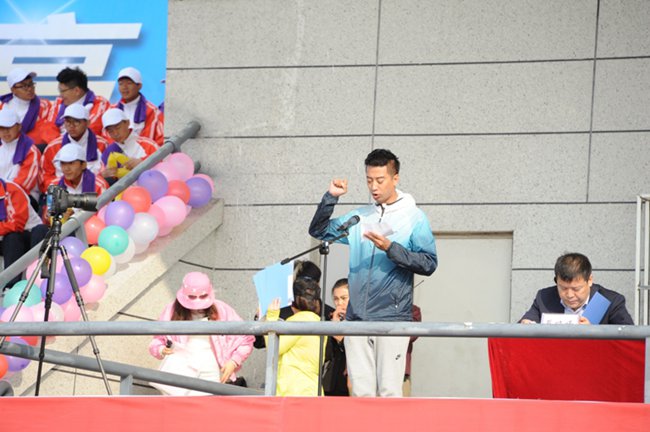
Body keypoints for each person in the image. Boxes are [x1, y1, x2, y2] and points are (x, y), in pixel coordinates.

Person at [309, 148, 438, 397]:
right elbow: (319, 231)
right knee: (361, 394)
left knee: (390, 393)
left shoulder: (414, 217)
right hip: (356, 318)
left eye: (380, 180)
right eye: (369, 180)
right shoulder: (359, 217)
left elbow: (429, 263)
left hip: (393, 318)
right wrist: (331, 197)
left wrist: (391, 248)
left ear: (395, 178)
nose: (374, 187)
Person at [148, 272, 254, 395]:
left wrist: (234, 361)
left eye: (203, 296)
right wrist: (161, 349)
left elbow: (246, 338)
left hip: (210, 368)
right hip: (180, 367)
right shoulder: (171, 310)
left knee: (206, 404)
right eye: (192, 297)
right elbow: (157, 339)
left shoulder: (221, 309)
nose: (197, 302)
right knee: (178, 405)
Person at [520, 252, 634, 325]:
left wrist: (595, 332)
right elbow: (523, 325)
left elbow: (628, 339)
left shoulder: (609, 301)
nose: (569, 295)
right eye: (563, 288)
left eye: (576, 289)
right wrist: (525, 325)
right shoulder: (545, 297)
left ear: (589, 280)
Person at [264, 278, 327, 396]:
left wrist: (270, 318)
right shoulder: (318, 322)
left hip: (294, 389)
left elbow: (274, 348)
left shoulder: (298, 321)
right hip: (311, 388)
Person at [40, 104, 108, 193]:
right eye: (68, 121)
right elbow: (45, 177)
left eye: (76, 121)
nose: (71, 126)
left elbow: (108, 173)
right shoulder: (52, 147)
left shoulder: (102, 144)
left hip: (94, 190)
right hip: (61, 191)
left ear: (88, 123)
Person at [0, 178, 48, 287]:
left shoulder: (11, 189)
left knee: (13, 237)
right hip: (3, 239)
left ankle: (12, 286)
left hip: (27, 235)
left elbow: (17, 224)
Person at [42, 145, 108, 220]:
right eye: (63, 163)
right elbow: (46, 216)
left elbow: (104, 216)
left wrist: (75, 216)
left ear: (83, 165)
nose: (66, 168)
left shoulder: (99, 185)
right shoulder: (54, 186)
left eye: (71, 163)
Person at [0, 68, 59, 148]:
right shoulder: (3, 108)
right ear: (13, 89)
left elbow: (51, 131)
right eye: (24, 86)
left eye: (31, 84)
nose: (30, 88)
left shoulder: (44, 106)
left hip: (37, 149)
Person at [100, 108, 159, 183]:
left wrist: (143, 163)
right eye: (110, 131)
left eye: (118, 128)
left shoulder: (149, 145)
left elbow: (164, 166)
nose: (115, 133)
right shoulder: (108, 152)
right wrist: (104, 176)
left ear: (127, 123)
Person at [48, 67, 110, 137]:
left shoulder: (100, 103)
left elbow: (89, 130)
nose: (60, 95)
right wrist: (59, 141)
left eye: (63, 91)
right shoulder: (59, 101)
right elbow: (48, 127)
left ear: (77, 91)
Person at [113, 67, 164, 145]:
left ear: (139, 86)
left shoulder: (152, 111)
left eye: (129, 83)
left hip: (145, 152)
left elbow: (160, 140)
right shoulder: (112, 110)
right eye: (121, 84)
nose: (124, 87)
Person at [0, 108, 41, 205]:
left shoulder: (30, 150)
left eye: (9, 127)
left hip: (24, 197)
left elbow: (24, 184)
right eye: (1, 128)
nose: (5, 131)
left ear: (19, 127)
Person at [323, 278, 350, 396]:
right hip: (331, 382)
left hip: (350, 382)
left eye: (344, 298)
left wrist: (340, 338)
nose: (339, 303)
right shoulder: (331, 319)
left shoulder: (360, 321)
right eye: (336, 299)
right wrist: (333, 326)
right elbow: (326, 354)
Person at [403, 304, 421, 397]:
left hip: (401, 374)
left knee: (400, 404)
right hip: (373, 372)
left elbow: (412, 335)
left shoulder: (413, 310)